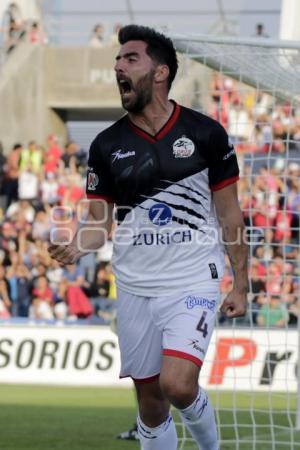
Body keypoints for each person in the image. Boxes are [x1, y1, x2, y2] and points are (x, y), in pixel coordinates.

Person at [49, 25, 248, 450]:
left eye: (130, 58)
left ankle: (211, 447)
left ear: (160, 73)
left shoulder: (205, 133)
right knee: (151, 405)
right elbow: (99, 222)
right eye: (117, 60)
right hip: (136, 286)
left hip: (193, 277)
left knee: (177, 385)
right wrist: (75, 244)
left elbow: (230, 213)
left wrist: (242, 282)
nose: (118, 65)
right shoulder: (106, 144)